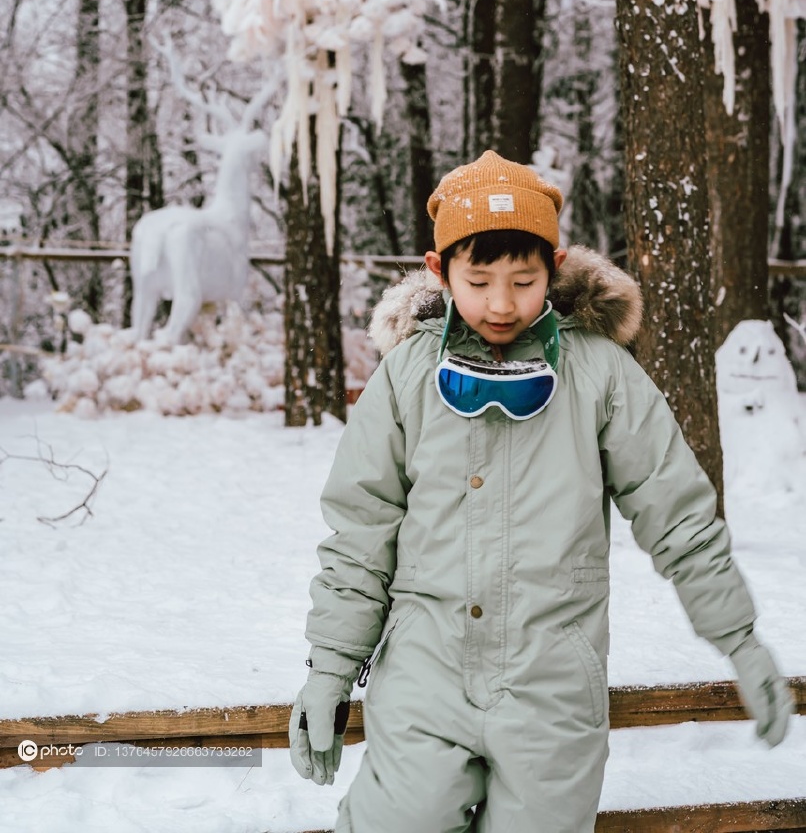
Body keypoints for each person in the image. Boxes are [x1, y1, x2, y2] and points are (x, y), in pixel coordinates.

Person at [289, 149, 793, 833]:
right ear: (440, 272)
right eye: (479, 280)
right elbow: (360, 528)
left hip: (553, 688)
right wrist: (330, 667)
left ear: (554, 270)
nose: (501, 303)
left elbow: (677, 515)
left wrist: (739, 638)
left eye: (523, 280)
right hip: (424, 679)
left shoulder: (601, 375)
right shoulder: (407, 377)